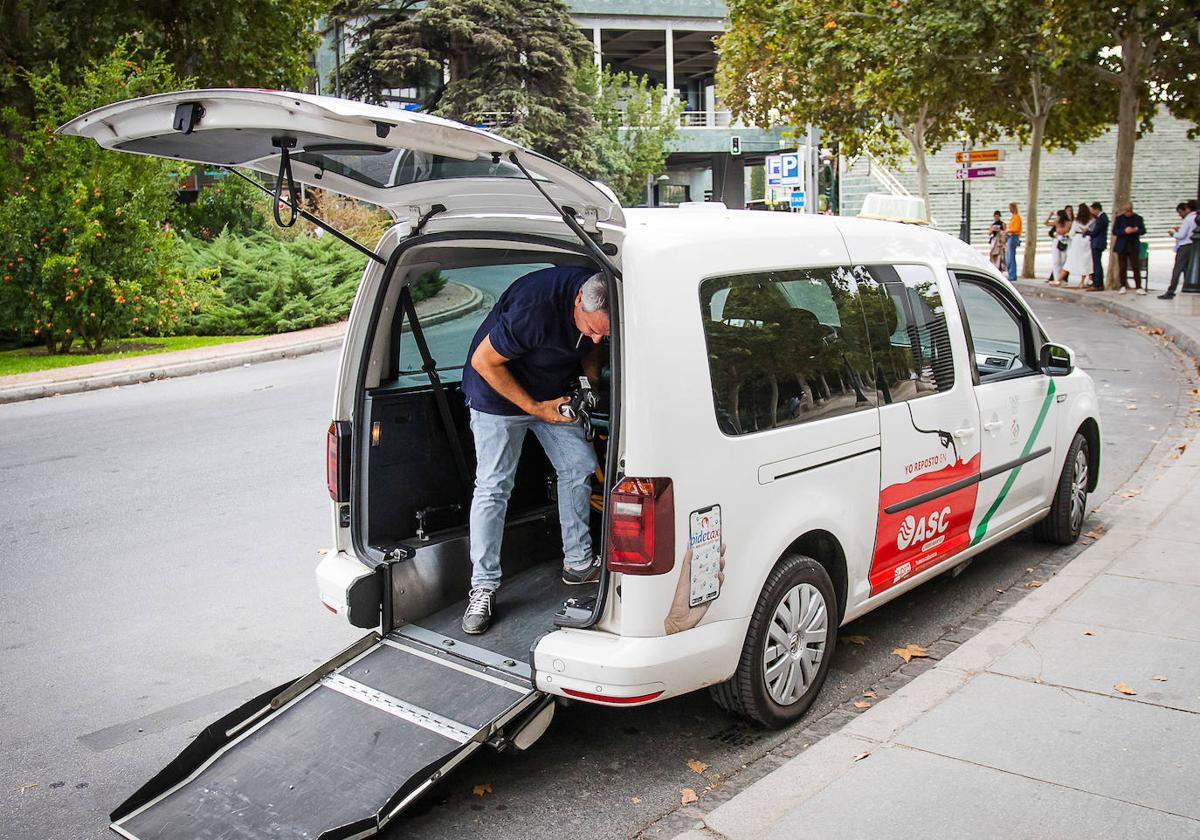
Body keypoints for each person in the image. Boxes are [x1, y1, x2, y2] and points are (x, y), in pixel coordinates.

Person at [459, 267, 610, 634]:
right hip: (497, 395)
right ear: (577, 301)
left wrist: (589, 383)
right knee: (494, 487)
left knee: (579, 465)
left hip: (549, 392)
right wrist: (536, 409)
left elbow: (590, 347)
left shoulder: (601, 297)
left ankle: (578, 563)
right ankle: (483, 586)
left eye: (602, 332)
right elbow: (484, 362)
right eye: (590, 328)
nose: (594, 337)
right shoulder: (535, 309)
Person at [1160, 200, 1197, 300]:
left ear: (1187, 209)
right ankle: (1186, 287)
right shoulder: (1196, 218)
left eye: (1180, 212)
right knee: (1187, 268)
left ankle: (1171, 290)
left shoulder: (1188, 219)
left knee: (1178, 269)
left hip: (1185, 246)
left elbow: (1181, 235)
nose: (1180, 215)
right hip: (1193, 246)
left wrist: (1173, 234)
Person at [1113, 202, 1147, 295]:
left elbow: (1143, 230)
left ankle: (1138, 286)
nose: (1128, 212)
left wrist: (1135, 230)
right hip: (1122, 245)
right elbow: (1115, 231)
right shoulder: (1119, 219)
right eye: (1126, 211)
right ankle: (1122, 285)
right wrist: (1124, 231)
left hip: (1133, 244)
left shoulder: (1138, 218)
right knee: (1122, 266)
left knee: (1136, 266)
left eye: (1129, 210)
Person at [1060, 203, 1093, 288]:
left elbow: (1071, 233)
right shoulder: (1091, 220)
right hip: (1087, 240)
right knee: (1086, 261)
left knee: (1071, 259)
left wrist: (1068, 236)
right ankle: (1082, 282)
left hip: (1078, 240)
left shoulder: (1077, 221)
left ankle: (1058, 279)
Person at [1087, 202, 1109, 290]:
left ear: (1096, 209)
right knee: (1097, 263)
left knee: (1097, 264)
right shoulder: (1102, 217)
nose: (1092, 212)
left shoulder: (1101, 218)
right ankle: (1098, 283)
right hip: (1098, 242)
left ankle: (1098, 284)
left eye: (1092, 210)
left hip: (1097, 243)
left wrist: (1087, 232)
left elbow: (1095, 232)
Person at [1047, 209, 1071, 286]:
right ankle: (1057, 278)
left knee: (1064, 261)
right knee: (1056, 261)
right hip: (1057, 240)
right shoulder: (1057, 222)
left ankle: (1063, 279)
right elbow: (1046, 223)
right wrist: (1050, 215)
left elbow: (1068, 231)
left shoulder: (1068, 223)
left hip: (1065, 241)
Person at [1006, 202, 1022, 282]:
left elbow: (1016, 228)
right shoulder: (1013, 217)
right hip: (1010, 236)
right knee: (1009, 256)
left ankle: (1012, 275)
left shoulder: (1017, 217)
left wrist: (1008, 230)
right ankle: (1011, 274)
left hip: (1013, 236)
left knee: (1011, 256)